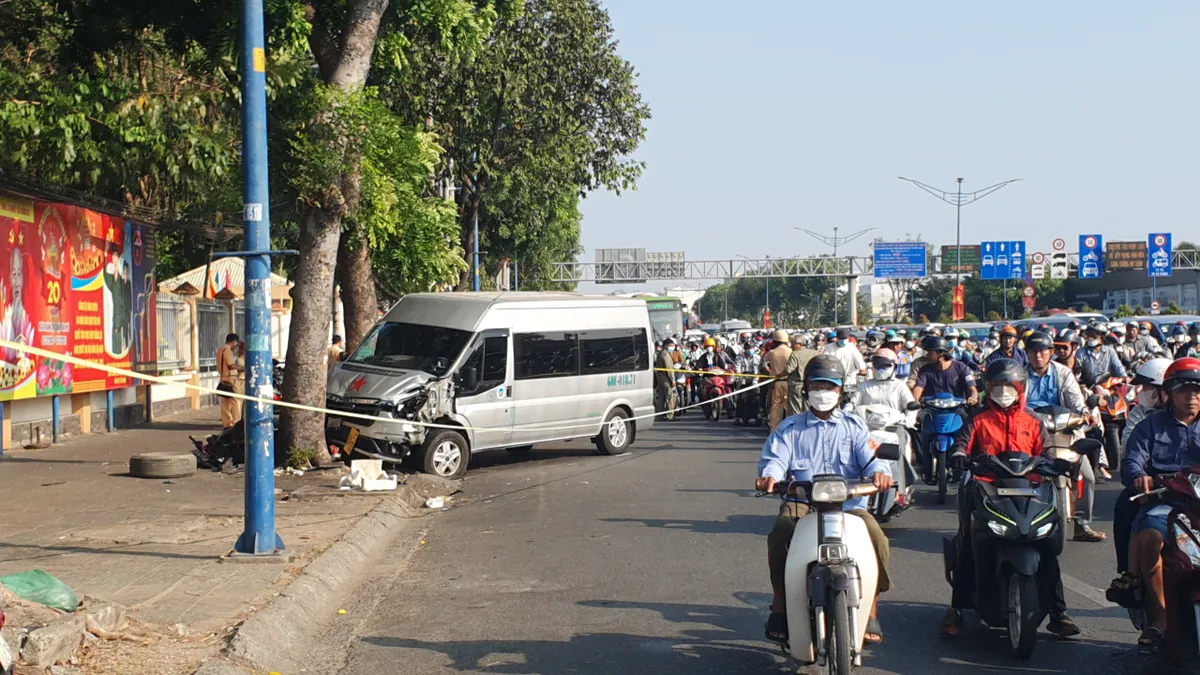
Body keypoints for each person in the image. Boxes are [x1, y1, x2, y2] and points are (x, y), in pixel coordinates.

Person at [756, 355, 893, 645]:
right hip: (803, 503)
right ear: (805, 389)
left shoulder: (854, 426)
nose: (823, 392)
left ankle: (871, 608)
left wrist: (880, 473)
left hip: (850, 505)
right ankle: (780, 604)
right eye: (817, 385)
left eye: (829, 386)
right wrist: (770, 476)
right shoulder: (790, 428)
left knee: (878, 540)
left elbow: (872, 460)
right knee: (781, 531)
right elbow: (775, 460)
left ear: (840, 391)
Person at [941, 358, 1081, 638]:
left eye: (1009, 386)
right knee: (970, 543)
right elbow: (961, 444)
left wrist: (1057, 463)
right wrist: (958, 456)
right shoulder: (978, 419)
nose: (1003, 391)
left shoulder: (1033, 421)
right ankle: (956, 610)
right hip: (986, 487)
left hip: (1030, 489)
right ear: (987, 388)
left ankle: (1058, 612)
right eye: (997, 386)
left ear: (1021, 388)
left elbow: (1048, 453)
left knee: (1046, 548)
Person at [1119, 357, 1200, 649]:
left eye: (1197, 391)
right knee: (1150, 538)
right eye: (1184, 391)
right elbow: (1132, 459)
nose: (1192, 397)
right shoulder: (1150, 426)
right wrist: (1139, 476)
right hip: (1164, 503)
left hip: (1198, 506)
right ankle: (1158, 620)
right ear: (1169, 393)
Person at [1023, 331, 1105, 542]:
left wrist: (1085, 413)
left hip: (1063, 430)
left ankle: (1082, 524)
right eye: (1033, 351)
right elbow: (1016, 404)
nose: (1038, 356)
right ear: (1027, 354)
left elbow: (1075, 401)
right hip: (1029, 433)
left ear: (1051, 352)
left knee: (1087, 476)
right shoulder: (1020, 376)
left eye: (1042, 351)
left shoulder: (1063, 374)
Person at [911, 336, 979, 404]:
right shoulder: (925, 370)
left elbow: (972, 388)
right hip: (932, 409)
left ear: (940, 353)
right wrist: (914, 401)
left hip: (957, 408)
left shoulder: (962, 368)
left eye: (929, 352)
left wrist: (973, 397)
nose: (927, 355)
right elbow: (919, 387)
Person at [859, 348, 917, 426]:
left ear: (895, 367)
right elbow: (853, 404)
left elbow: (910, 405)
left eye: (885, 365)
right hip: (866, 428)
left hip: (893, 427)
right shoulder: (864, 385)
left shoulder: (900, 386)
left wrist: (909, 420)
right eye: (878, 365)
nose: (881, 369)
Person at [763, 330, 793, 430]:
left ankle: (774, 432)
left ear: (775, 341)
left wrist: (771, 372)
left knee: (775, 408)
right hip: (789, 382)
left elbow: (764, 364)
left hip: (776, 383)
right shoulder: (791, 352)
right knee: (789, 407)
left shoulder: (772, 353)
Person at [784, 332, 818, 416]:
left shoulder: (795, 354)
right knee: (809, 408)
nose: (791, 346)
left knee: (796, 410)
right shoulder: (815, 353)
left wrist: (779, 374)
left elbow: (789, 370)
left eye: (792, 344)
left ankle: (798, 428)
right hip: (811, 384)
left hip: (797, 385)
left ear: (799, 344)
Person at [217, 333, 243, 428]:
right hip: (231, 378)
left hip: (223, 377)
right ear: (234, 342)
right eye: (236, 343)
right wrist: (244, 369)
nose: (236, 346)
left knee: (225, 402)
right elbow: (231, 365)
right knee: (236, 401)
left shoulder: (220, 350)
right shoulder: (227, 351)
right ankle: (236, 422)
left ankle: (227, 423)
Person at [654, 338, 677, 412]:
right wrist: (672, 380)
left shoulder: (660, 353)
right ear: (665, 346)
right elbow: (669, 369)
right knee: (669, 396)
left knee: (661, 397)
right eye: (670, 345)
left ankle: (659, 415)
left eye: (673, 346)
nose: (672, 347)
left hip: (660, 377)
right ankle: (670, 415)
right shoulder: (666, 355)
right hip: (666, 378)